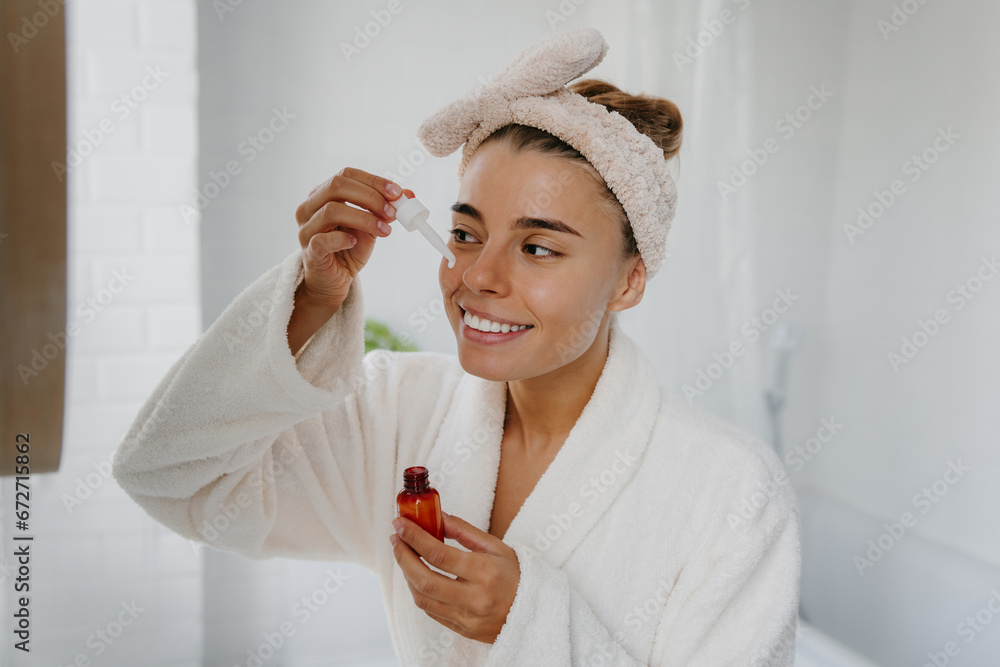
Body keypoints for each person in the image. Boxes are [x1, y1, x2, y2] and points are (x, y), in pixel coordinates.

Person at [113, 29, 800, 666]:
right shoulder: (399, 413)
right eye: (467, 234)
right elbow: (170, 475)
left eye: (537, 247)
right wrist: (307, 305)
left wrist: (525, 622)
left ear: (629, 280)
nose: (476, 277)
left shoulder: (731, 490)